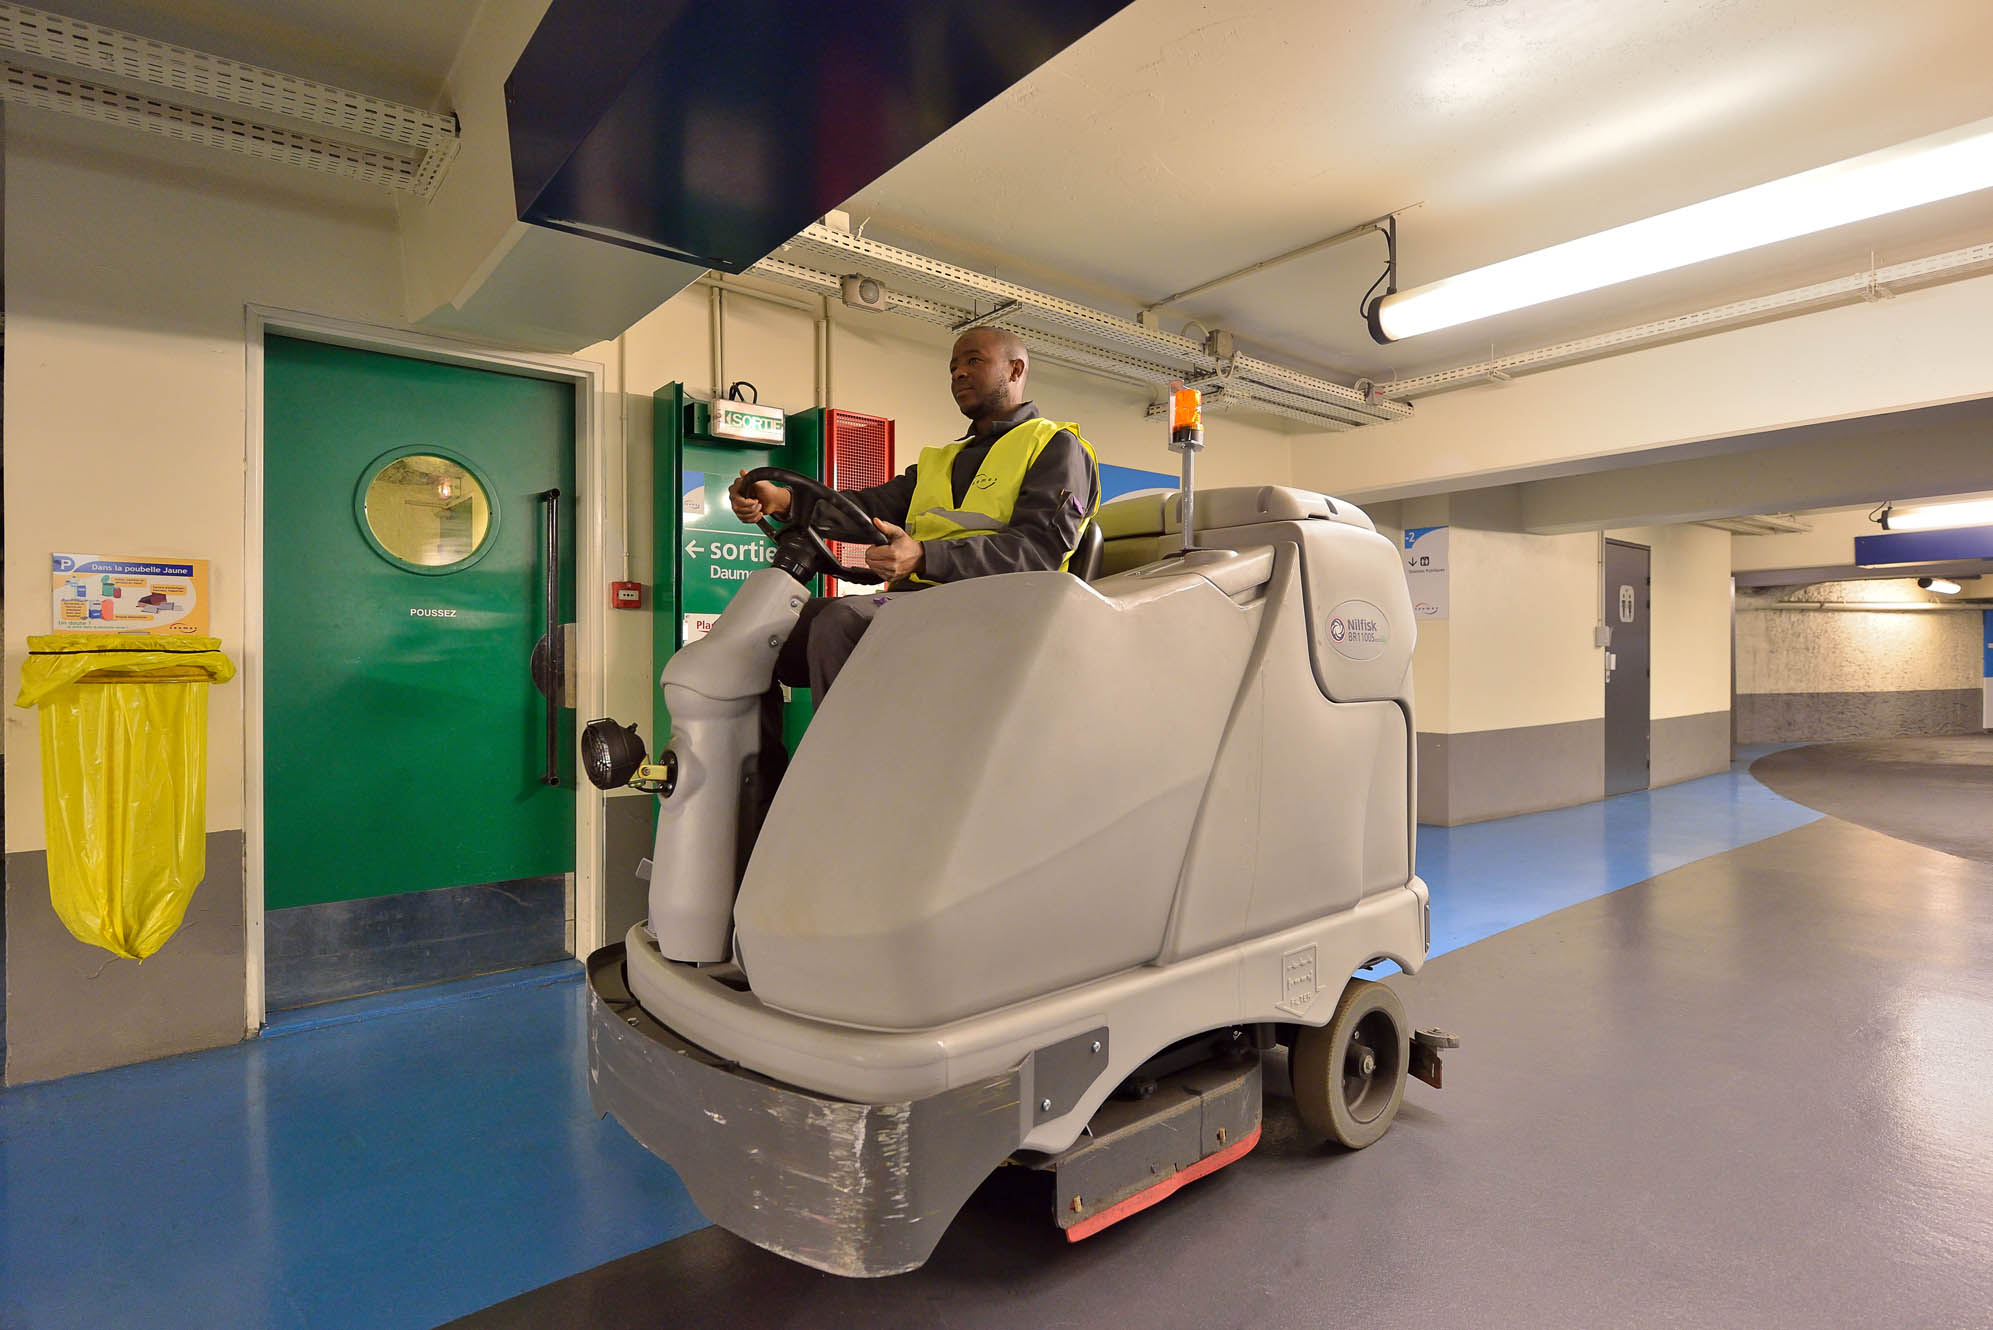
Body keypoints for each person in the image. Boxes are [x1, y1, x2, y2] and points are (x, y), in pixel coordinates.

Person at [728, 327, 1099, 700]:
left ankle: (847, 755)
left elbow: (1037, 552)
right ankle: (760, 758)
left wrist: (923, 556)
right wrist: (786, 501)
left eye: (974, 360)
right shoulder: (942, 459)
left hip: (999, 610)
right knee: (771, 630)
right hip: (924, 604)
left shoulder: (1056, 447)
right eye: (953, 366)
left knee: (840, 622)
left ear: (1016, 370)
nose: (958, 373)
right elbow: (867, 510)